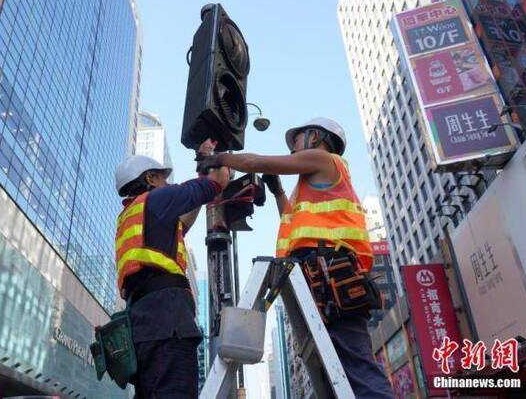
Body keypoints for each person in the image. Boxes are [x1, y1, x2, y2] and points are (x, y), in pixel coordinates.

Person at [201, 117, 395, 398]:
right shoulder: (313, 182)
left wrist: (218, 158)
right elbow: (291, 224)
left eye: (297, 140)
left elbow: (255, 162)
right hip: (321, 275)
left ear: (315, 137)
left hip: (334, 276)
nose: (293, 148)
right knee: (338, 370)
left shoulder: (323, 160)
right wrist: (278, 191)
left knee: (357, 367)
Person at [114, 147, 229, 398]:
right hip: (167, 316)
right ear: (150, 179)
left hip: (142, 322)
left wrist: (201, 169)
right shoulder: (158, 199)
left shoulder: (131, 215)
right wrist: (213, 158)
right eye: (163, 178)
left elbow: (184, 220)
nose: (168, 183)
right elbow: (218, 181)